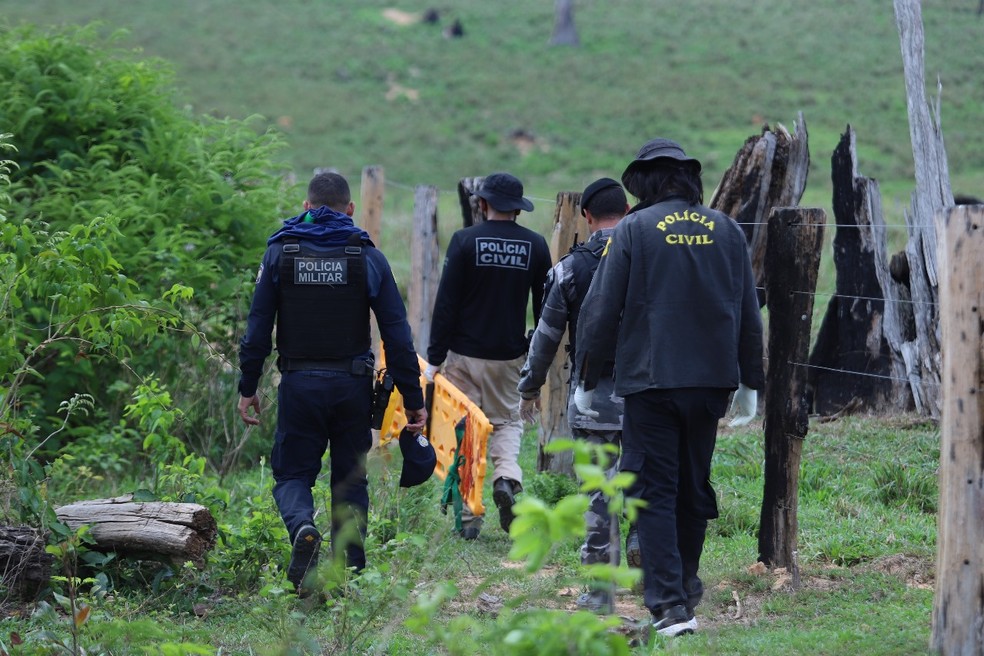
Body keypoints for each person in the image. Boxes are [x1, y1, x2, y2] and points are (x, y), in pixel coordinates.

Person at [574, 138, 764, 637]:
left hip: (650, 382)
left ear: (645, 182)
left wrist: (587, 376)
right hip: (711, 383)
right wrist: (751, 381)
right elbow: (748, 310)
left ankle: (670, 608)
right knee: (693, 486)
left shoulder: (634, 229)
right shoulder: (726, 230)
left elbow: (600, 308)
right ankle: (686, 587)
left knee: (654, 490)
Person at [237, 171, 427, 594]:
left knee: (291, 476)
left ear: (307, 207)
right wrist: (414, 399)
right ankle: (349, 576)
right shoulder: (367, 256)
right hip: (352, 388)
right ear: (351, 209)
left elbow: (256, 329)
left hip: (300, 385)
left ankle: (303, 526)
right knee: (350, 480)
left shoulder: (280, 251)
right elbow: (397, 336)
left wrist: (248, 386)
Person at [516, 177, 628, 611]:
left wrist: (529, 388)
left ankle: (600, 593)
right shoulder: (651, 258)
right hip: (650, 399)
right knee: (652, 484)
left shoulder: (569, 268)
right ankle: (657, 577)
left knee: (600, 492)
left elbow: (545, 338)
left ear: (585, 217)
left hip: (595, 399)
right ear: (629, 210)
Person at [425, 172, 551, 540]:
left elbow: (446, 304)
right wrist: (533, 351)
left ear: (482, 204)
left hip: (464, 355)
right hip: (510, 357)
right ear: (518, 209)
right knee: (508, 422)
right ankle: (507, 477)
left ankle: (468, 517)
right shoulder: (536, 245)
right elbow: (545, 308)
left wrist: (434, 360)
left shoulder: (465, 241)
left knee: (467, 429)